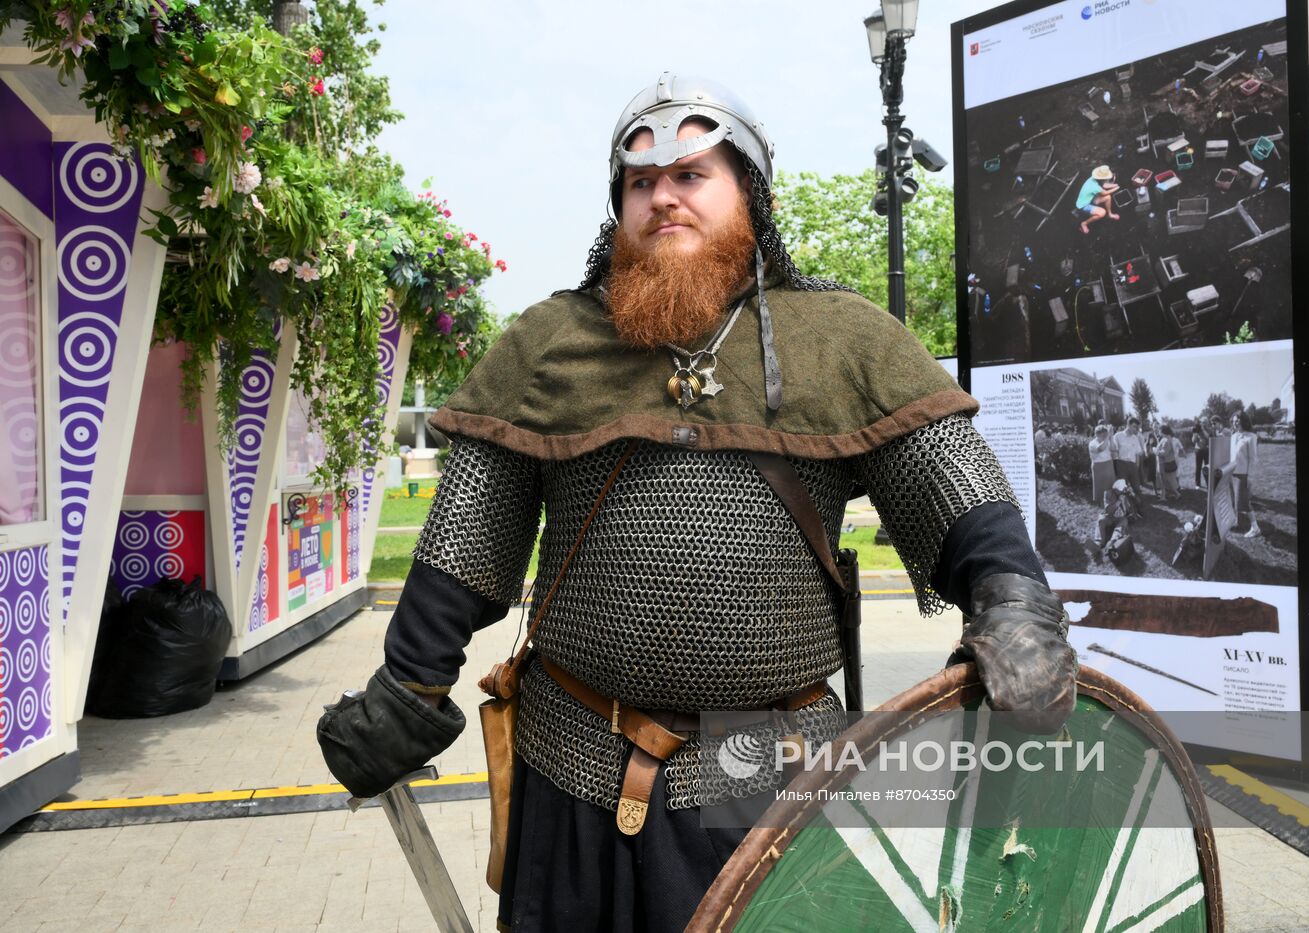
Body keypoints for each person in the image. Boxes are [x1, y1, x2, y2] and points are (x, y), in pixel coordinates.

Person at [315, 74, 1077, 932]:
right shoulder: (552, 340)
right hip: (573, 763)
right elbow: (467, 538)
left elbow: (954, 488)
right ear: (619, 208)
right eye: (642, 183)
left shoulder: (842, 336)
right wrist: (410, 682)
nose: (664, 198)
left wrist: (1012, 598)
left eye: (691, 175)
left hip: (764, 771)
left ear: (749, 191)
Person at [1228, 412, 1262, 538]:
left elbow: (1253, 459)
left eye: (1237, 421)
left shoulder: (1251, 437)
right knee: (1233, 499)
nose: (1235, 423)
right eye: (1233, 421)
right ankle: (1235, 521)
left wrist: (1250, 477)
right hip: (1232, 472)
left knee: (1244, 501)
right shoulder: (1233, 436)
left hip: (1243, 474)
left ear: (1244, 421)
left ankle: (1255, 527)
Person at [1076, 165, 1120, 235]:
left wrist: (1114, 185)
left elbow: (1104, 185)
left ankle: (1110, 214)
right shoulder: (1094, 186)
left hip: (1090, 198)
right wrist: (1116, 188)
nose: (1107, 179)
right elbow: (1104, 192)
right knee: (1102, 213)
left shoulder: (1094, 179)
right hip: (1083, 205)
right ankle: (1084, 223)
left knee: (1108, 197)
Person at [1113, 417, 1145, 496]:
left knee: (1136, 488)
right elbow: (1114, 451)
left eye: (1137, 427)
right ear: (1128, 425)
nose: (1135, 429)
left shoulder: (1135, 438)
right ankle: (1125, 507)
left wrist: (1136, 466)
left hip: (1132, 465)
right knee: (1122, 488)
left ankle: (1139, 506)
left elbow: (1138, 453)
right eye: (1134, 426)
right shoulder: (1118, 436)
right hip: (1121, 464)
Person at [1088, 422, 1117, 504]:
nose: (1104, 436)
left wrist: (1111, 438)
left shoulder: (1107, 440)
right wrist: (1108, 436)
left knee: (1110, 484)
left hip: (1108, 464)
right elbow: (1101, 449)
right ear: (1097, 434)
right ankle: (1101, 502)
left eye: (1105, 434)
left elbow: (1113, 449)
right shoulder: (1092, 443)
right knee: (1100, 486)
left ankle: (1111, 500)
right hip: (1098, 466)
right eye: (1103, 435)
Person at [1157, 424, 1184, 500]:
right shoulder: (1167, 439)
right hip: (1167, 462)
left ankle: (1167, 496)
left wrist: (1156, 451)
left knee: (1165, 480)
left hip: (1165, 462)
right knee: (1167, 480)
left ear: (1162, 431)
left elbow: (1165, 452)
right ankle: (1173, 494)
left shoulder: (1166, 440)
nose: (1158, 432)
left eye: (1159, 430)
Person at [1190, 419, 1209, 489]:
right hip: (1198, 450)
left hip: (1206, 450)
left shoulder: (1207, 429)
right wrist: (1195, 434)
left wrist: (1203, 429)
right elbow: (1193, 441)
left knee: (1207, 467)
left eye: (1203, 423)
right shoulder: (1195, 430)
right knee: (1198, 467)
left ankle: (1208, 483)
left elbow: (1208, 437)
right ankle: (1197, 484)